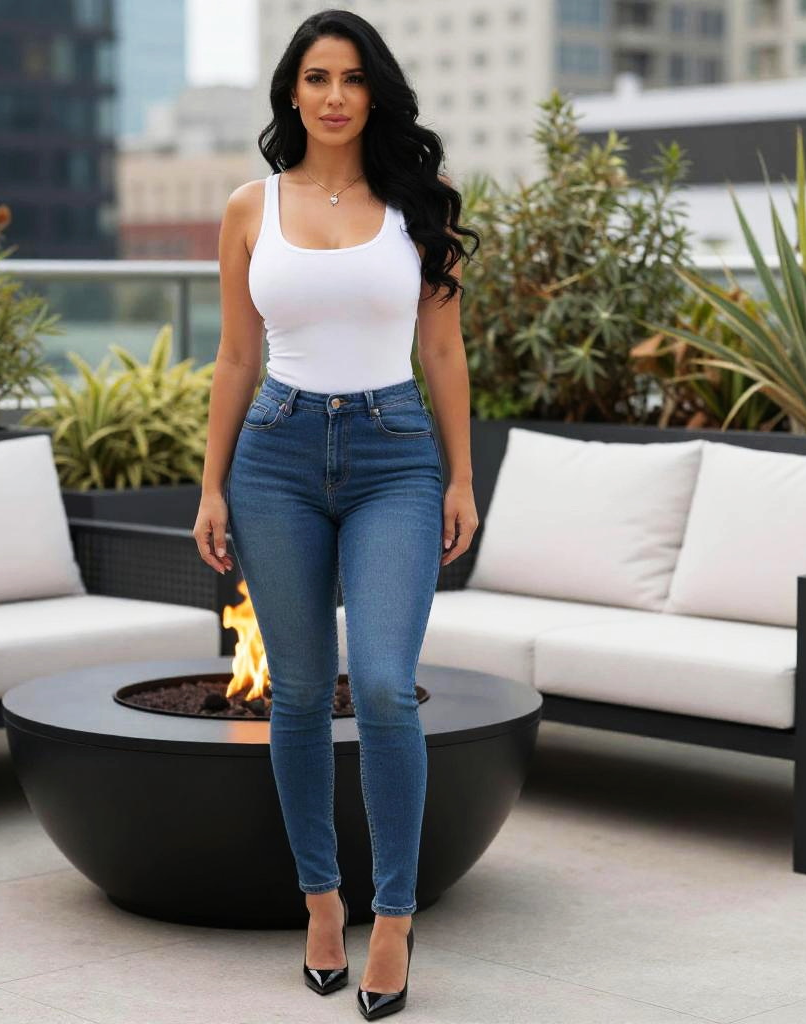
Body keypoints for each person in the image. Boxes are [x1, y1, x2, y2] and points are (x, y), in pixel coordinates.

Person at [192, 8, 479, 1019]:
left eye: (352, 78)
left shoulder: (421, 202)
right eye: (315, 77)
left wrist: (459, 477)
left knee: (389, 689)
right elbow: (233, 355)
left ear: (374, 91)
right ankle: (322, 902)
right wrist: (211, 482)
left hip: (396, 456)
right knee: (303, 694)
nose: (334, 95)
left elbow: (442, 352)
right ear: (291, 92)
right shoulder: (247, 208)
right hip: (273, 452)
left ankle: (392, 918)